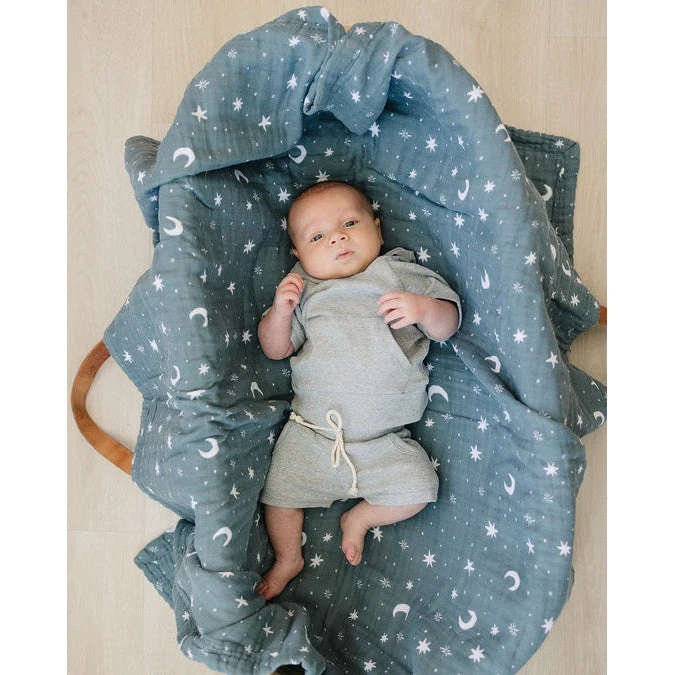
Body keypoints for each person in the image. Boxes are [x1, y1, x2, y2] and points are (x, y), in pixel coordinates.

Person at [256, 181, 462, 600]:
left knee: (421, 487)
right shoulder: (303, 290)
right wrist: (280, 312)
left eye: (350, 223)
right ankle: (288, 558)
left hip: (384, 442)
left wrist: (423, 308)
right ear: (299, 255)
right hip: (313, 435)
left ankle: (362, 517)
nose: (337, 237)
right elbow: (276, 349)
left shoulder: (398, 273)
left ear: (378, 229)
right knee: (277, 495)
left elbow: (448, 325)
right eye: (317, 237)